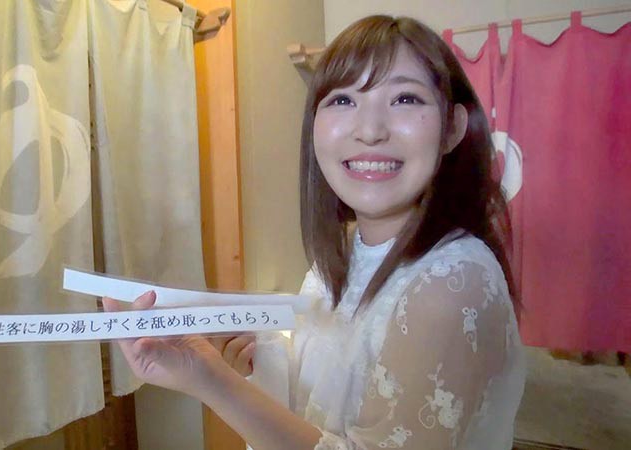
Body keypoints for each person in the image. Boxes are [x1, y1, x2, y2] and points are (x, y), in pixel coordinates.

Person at [103, 15, 525, 450]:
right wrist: (252, 360)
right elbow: (318, 400)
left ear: (453, 128)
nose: (370, 131)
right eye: (343, 100)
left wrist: (210, 379)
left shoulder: (454, 281)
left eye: (404, 98)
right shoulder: (339, 260)